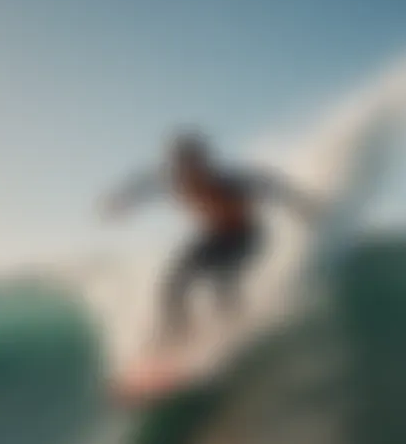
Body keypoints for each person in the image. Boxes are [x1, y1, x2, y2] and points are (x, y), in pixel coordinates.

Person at [101, 129, 320, 346]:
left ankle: (240, 330)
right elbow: (145, 184)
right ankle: (178, 335)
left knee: (221, 282)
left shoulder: (226, 181)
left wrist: (301, 205)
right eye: (185, 163)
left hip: (245, 236)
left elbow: (268, 184)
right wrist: (122, 200)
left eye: (196, 162)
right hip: (215, 236)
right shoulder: (173, 180)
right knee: (173, 284)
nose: (191, 169)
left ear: (203, 162)